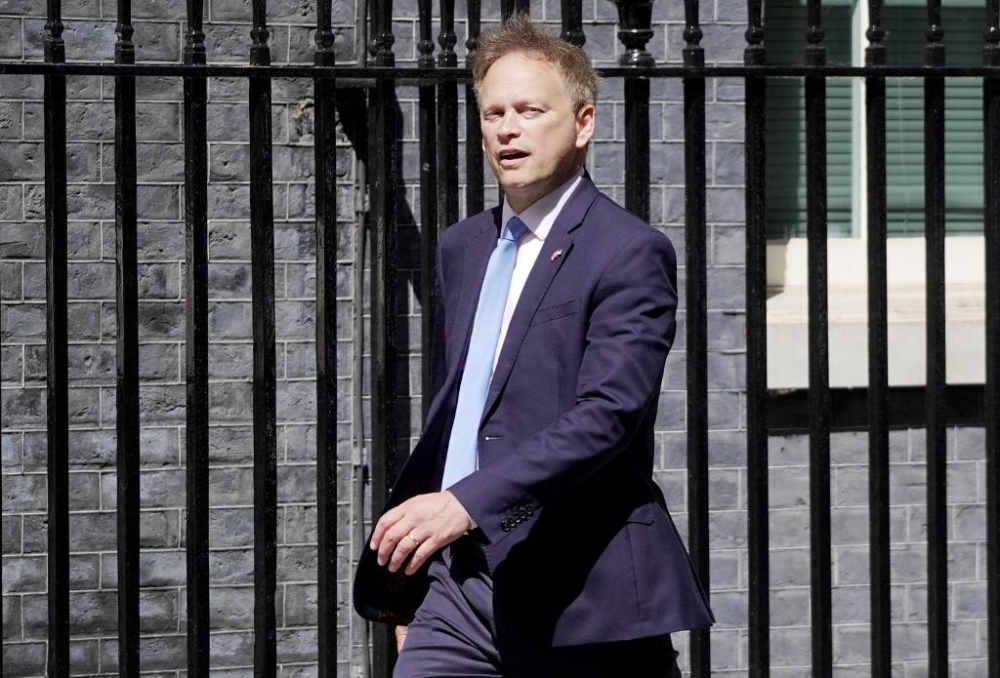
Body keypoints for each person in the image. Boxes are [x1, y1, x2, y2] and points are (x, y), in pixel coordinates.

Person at [354, 14, 713, 677]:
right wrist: (421, 577)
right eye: (493, 113)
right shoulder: (463, 248)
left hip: (581, 594)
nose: (507, 129)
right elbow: (462, 413)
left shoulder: (628, 252)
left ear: (582, 123)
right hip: (459, 588)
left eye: (529, 110)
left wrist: (466, 504)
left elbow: (608, 416)